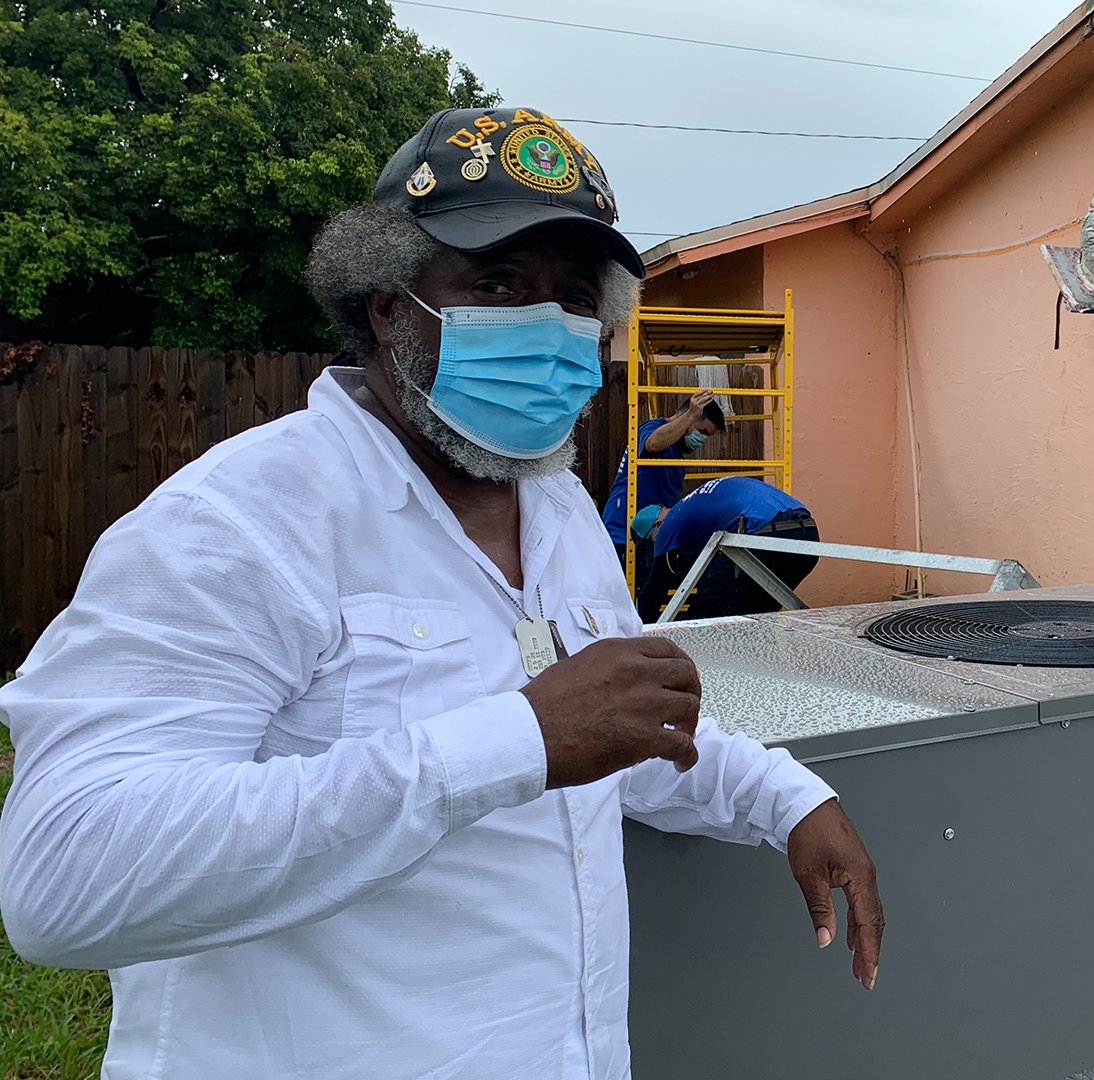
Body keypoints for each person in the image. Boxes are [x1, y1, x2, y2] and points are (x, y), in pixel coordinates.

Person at [0, 107, 882, 1080]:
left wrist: (785, 799)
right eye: (497, 282)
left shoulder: (556, 510)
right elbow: (66, 878)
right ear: (386, 301)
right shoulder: (240, 521)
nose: (546, 328)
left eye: (574, 297)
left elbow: (619, 728)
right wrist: (509, 742)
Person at [634, 476, 820, 620]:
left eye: (652, 541)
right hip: (807, 533)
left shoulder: (669, 524)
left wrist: (640, 627)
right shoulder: (696, 506)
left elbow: (657, 585)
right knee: (756, 615)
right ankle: (757, 664)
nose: (656, 545)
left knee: (705, 613)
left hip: (764, 532)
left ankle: (705, 665)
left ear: (657, 524)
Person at [600, 390, 725, 548]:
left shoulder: (676, 453)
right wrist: (690, 416)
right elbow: (652, 445)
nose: (702, 439)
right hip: (623, 531)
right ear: (689, 416)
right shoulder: (653, 428)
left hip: (648, 534)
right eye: (702, 432)